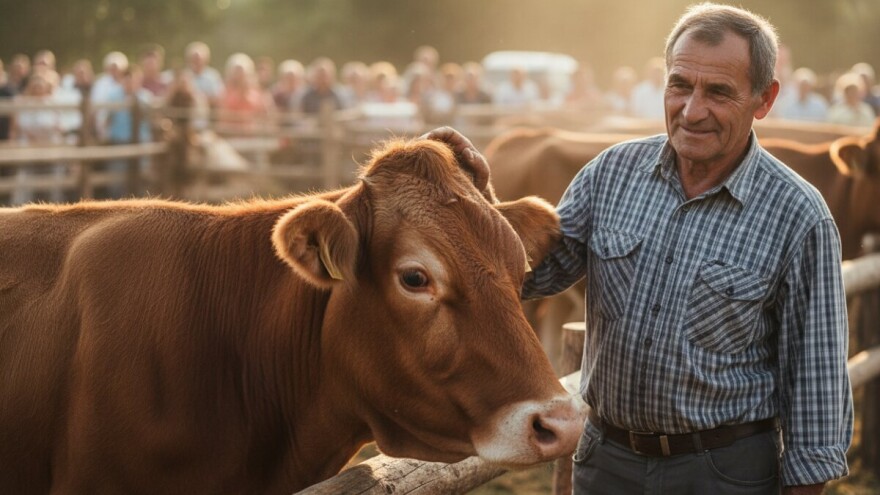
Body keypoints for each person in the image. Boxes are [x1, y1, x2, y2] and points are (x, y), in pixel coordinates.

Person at [426, 4, 851, 494]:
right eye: (680, 85)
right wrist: (474, 202)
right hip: (607, 462)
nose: (692, 110)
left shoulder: (798, 215)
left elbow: (815, 380)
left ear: (765, 98)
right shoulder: (612, 173)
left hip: (723, 472)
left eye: (718, 92)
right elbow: (532, 274)